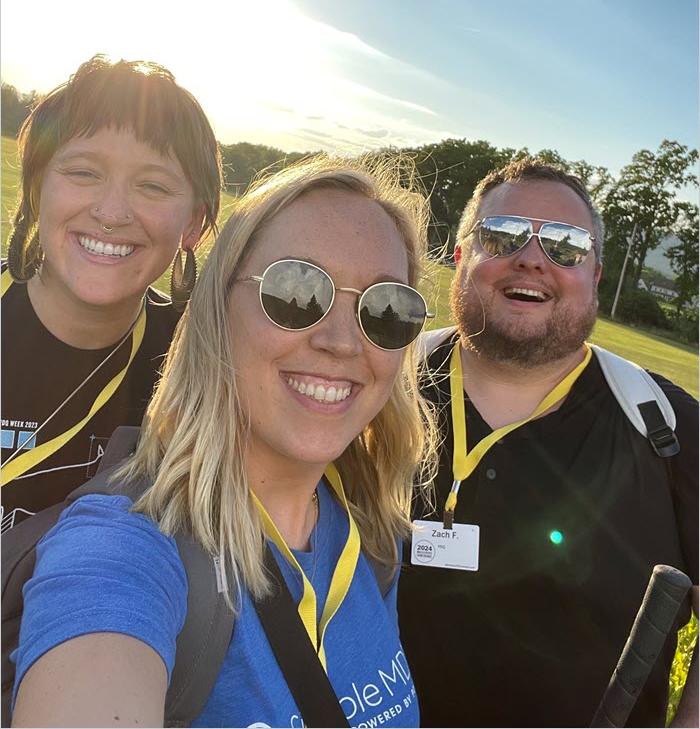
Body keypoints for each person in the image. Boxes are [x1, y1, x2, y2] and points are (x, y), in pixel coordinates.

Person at [11, 155, 439, 728]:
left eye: (385, 310)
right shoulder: (128, 545)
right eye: (296, 291)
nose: (341, 342)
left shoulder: (371, 532)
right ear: (219, 306)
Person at [397, 158, 698, 728]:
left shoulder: (669, 425)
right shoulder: (375, 390)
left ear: (596, 277)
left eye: (566, 245)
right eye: (502, 234)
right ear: (462, 258)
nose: (532, 257)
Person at [1, 54, 222, 531]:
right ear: (38, 189)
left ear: (194, 224)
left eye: (152, 185)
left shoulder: (205, 371)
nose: (113, 211)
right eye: (83, 172)